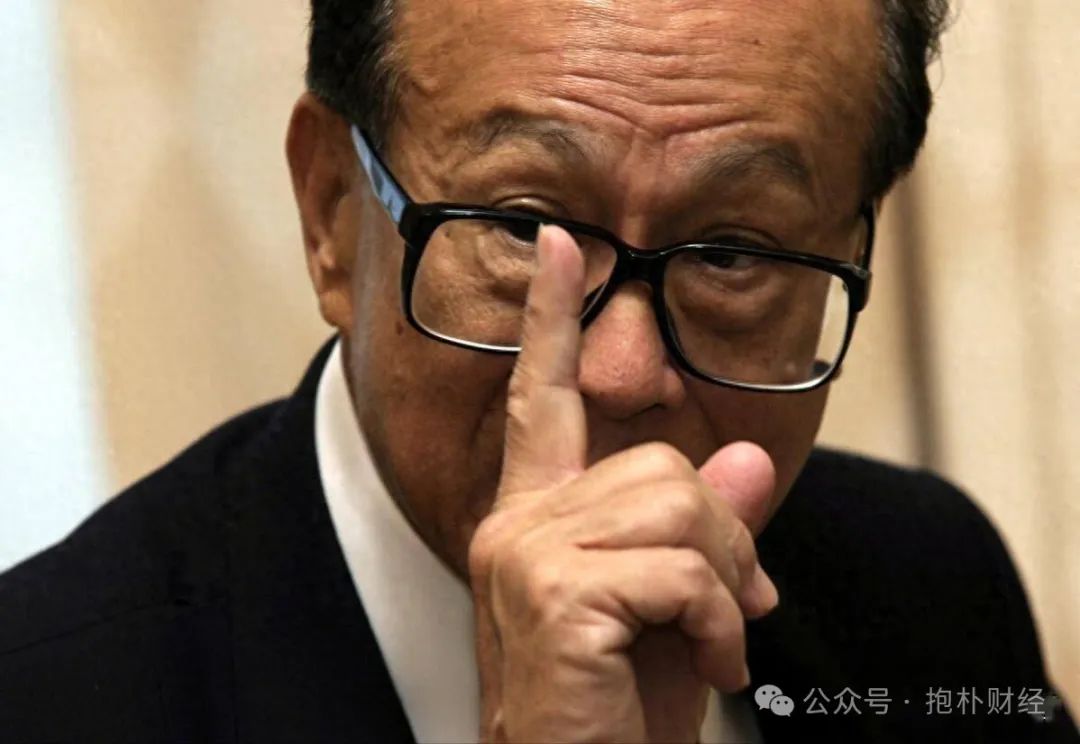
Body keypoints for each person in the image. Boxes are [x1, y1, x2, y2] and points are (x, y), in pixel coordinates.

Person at [0, 0, 1076, 741]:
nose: (620, 373)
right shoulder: (49, 697)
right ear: (331, 211)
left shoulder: (928, 591)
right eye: (523, 228)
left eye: (730, 252)